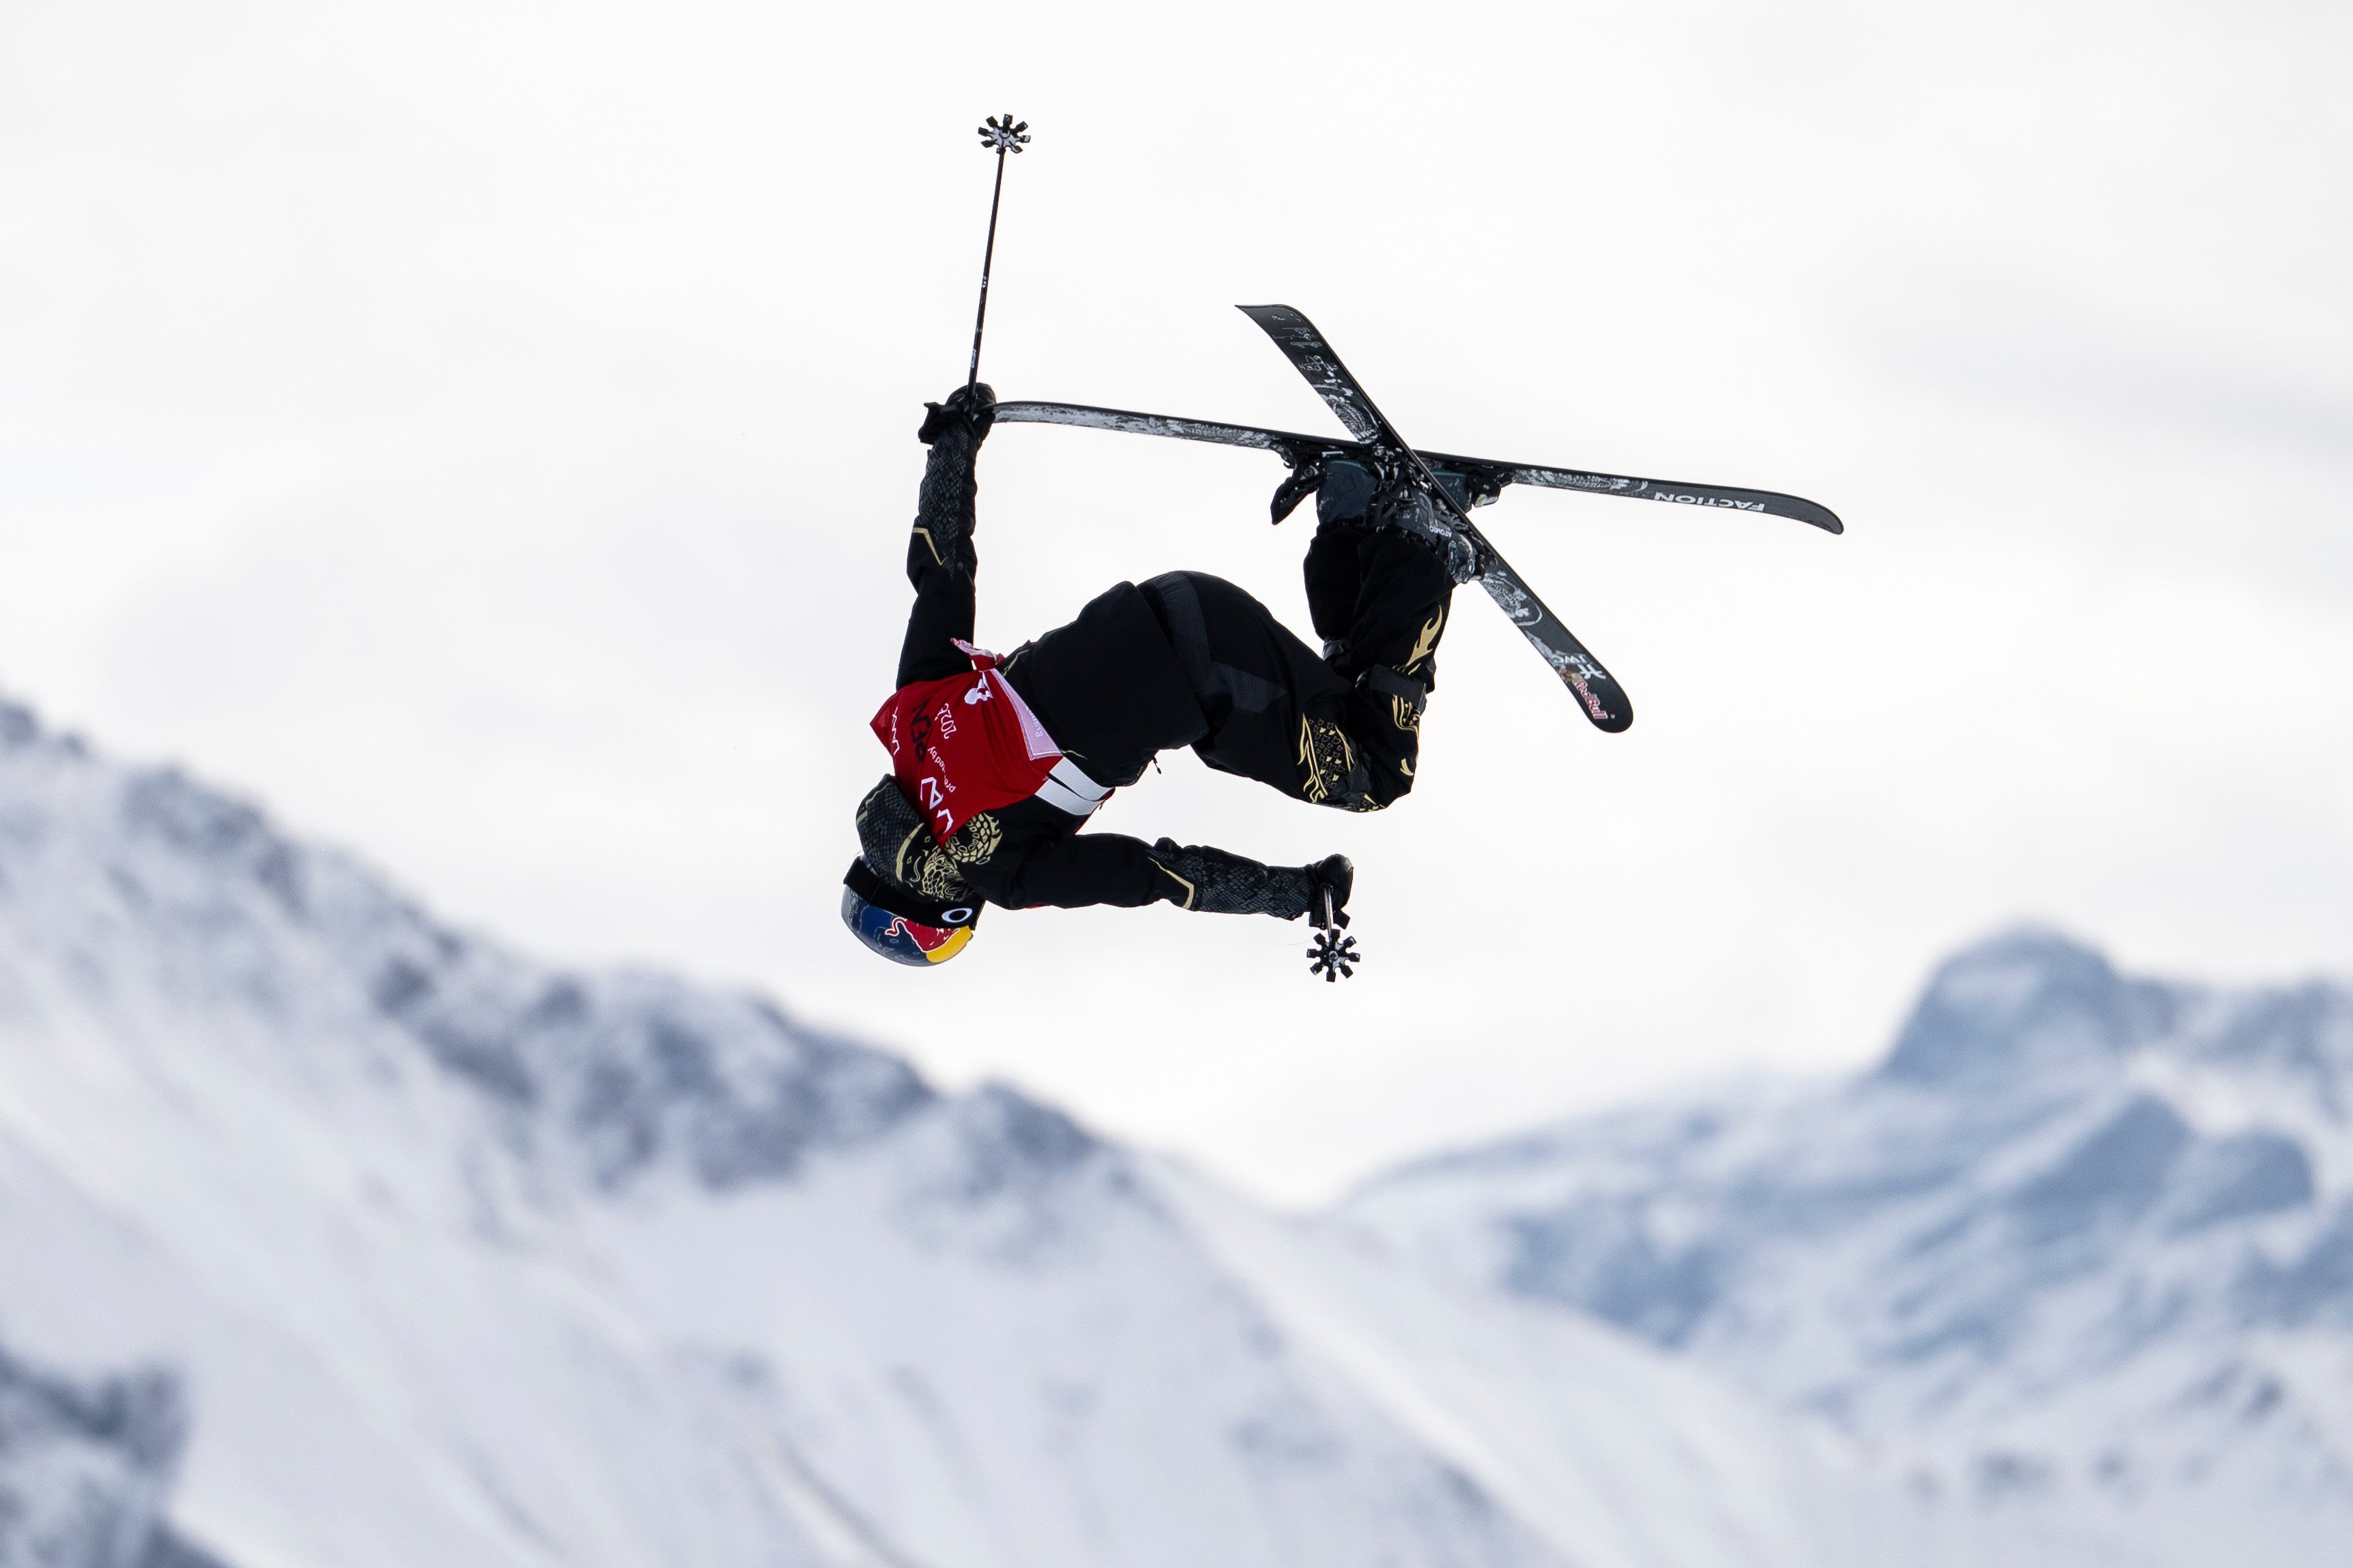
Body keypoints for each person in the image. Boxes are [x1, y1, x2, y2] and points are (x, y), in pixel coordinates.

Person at [841, 383, 1463, 968]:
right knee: (1341, 713)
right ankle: (1355, 507)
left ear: (928, 909)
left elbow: (1159, 875)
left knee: (1374, 773)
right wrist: (954, 444)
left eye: (939, 943)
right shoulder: (912, 724)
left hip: (1205, 672)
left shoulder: (999, 873)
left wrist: (1297, 894)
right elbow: (941, 566)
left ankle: (1421, 533)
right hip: (1172, 602)